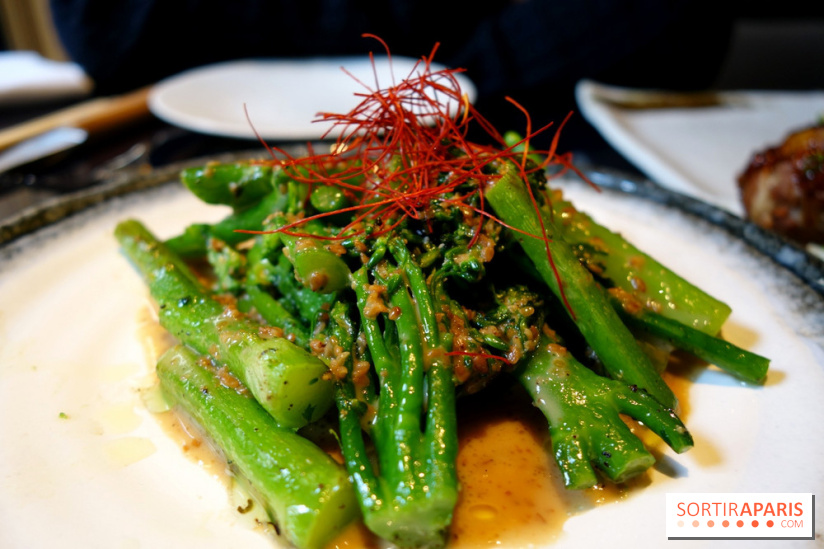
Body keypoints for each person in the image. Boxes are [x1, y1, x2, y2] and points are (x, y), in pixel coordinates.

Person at [50, 0, 734, 148]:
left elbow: (679, 26)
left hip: (522, 124)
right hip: (186, 133)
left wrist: (469, 70)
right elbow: (106, 41)